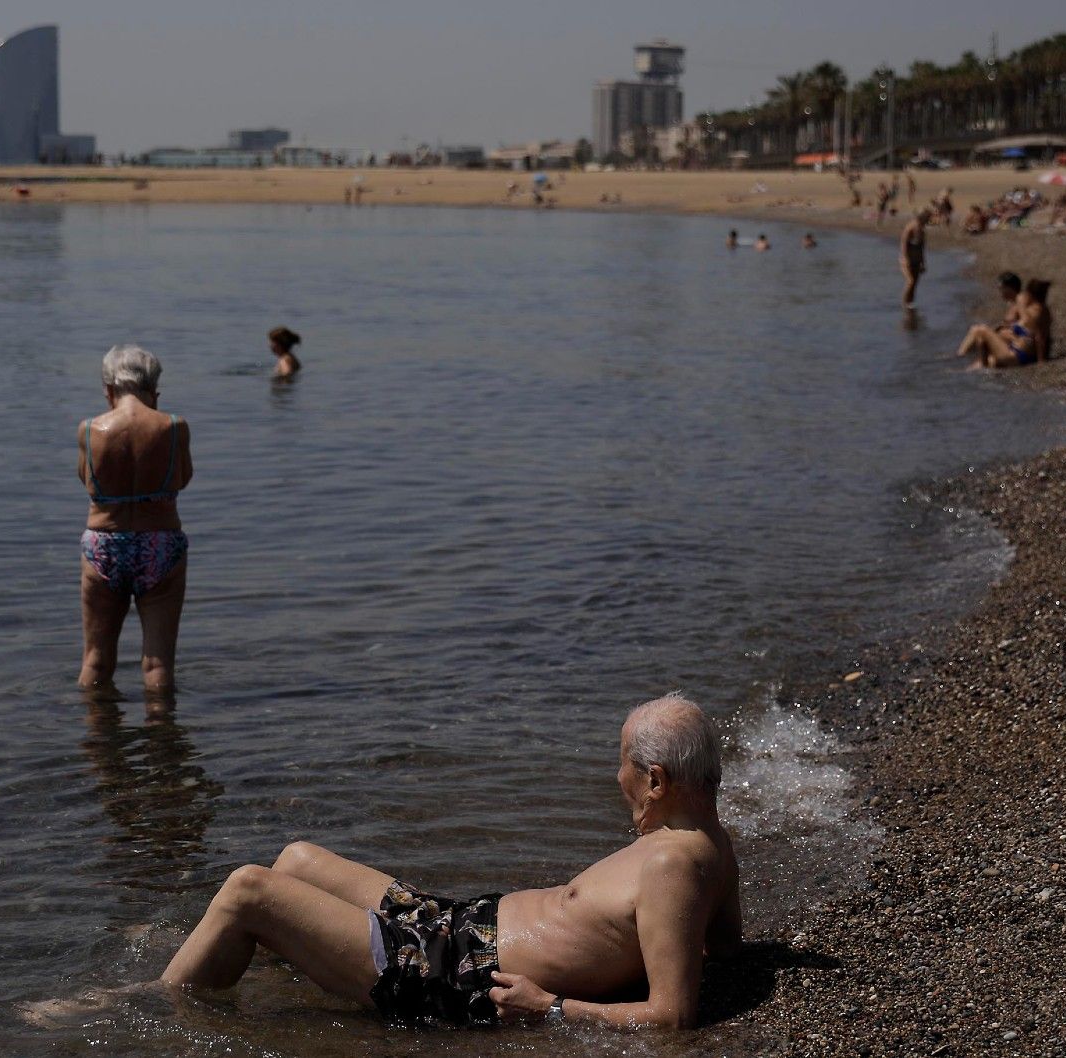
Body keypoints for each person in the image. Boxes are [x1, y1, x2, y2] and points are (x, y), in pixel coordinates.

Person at [159, 694, 742, 1029]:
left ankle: (155, 1006)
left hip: (452, 974)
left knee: (248, 891)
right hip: (457, 925)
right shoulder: (706, 841)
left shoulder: (673, 865)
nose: (617, 780)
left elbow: (671, 1016)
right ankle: (240, 955)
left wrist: (553, 1007)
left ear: (657, 780)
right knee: (296, 860)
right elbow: (726, 950)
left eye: (623, 766)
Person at [77, 345, 193, 693]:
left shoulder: (88, 429)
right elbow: (183, 479)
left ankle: (97, 740)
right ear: (153, 391)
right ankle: (162, 740)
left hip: (103, 545)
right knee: (158, 664)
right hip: (160, 544)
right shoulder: (174, 426)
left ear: (108, 390)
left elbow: (87, 480)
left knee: (95, 660)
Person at [958, 278, 1050, 368]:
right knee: (978, 365)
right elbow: (1033, 336)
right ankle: (970, 367)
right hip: (1020, 355)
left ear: (1030, 295)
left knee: (981, 330)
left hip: (1017, 356)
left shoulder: (1036, 313)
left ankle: (964, 359)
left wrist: (1040, 361)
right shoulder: (1041, 311)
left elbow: (1039, 337)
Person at [899, 209, 930, 308]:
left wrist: (923, 262)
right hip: (907, 259)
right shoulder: (911, 227)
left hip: (917, 260)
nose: (928, 220)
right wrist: (905, 258)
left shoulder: (922, 230)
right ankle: (904, 304)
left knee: (915, 284)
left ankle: (910, 304)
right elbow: (903, 243)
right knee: (910, 281)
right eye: (927, 218)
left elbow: (922, 247)